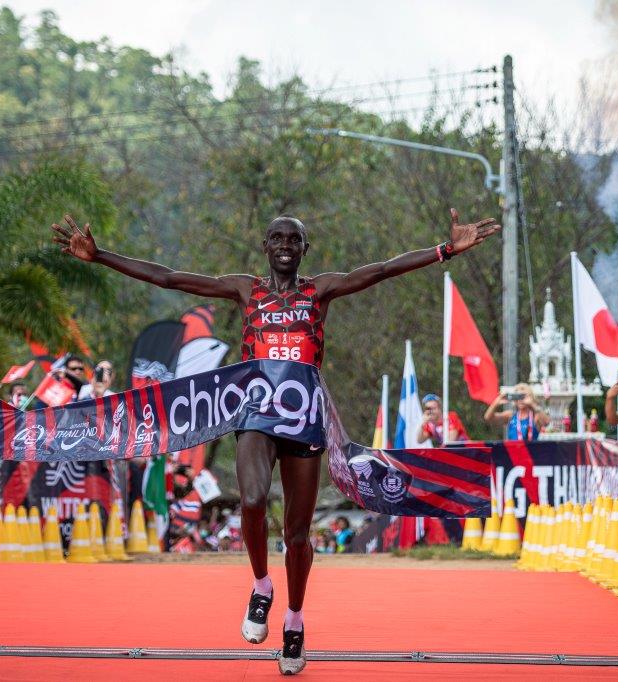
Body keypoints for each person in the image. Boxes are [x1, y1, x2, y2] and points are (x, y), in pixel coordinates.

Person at [53, 207, 500, 674]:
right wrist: (101, 256)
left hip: (305, 417)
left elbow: (383, 270)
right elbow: (168, 277)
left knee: (297, 533)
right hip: (255, 414)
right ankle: (262, 586)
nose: (285, 245)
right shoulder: (245, 289)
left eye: (294, 239)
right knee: (251, 499)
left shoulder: (319, 290)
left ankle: (294, 622)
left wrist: (445, 249)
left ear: (304, 249)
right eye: (277, 238)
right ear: (265, 247)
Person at [484, 383, 549, 441]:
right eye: (518, 397)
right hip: (513, 452)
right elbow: (488, 418)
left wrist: (532, 404)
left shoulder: (535, 415)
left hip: (530, 452)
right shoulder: (510, 415)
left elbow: (546, 422)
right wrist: (496, 403)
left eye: (523, 397)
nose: (520, 400)